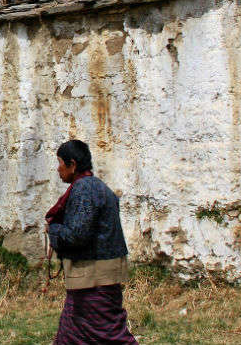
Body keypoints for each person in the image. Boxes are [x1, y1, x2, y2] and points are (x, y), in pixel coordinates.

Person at [46, 140, 137, 345]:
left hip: (94, 279)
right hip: (96, 276)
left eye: (60, 163)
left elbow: (77, 234)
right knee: (71, 336)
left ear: (72, 164)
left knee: (108, 335)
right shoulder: (98, 187)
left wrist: (54, 230)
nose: (57, 169)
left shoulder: (84, 189)